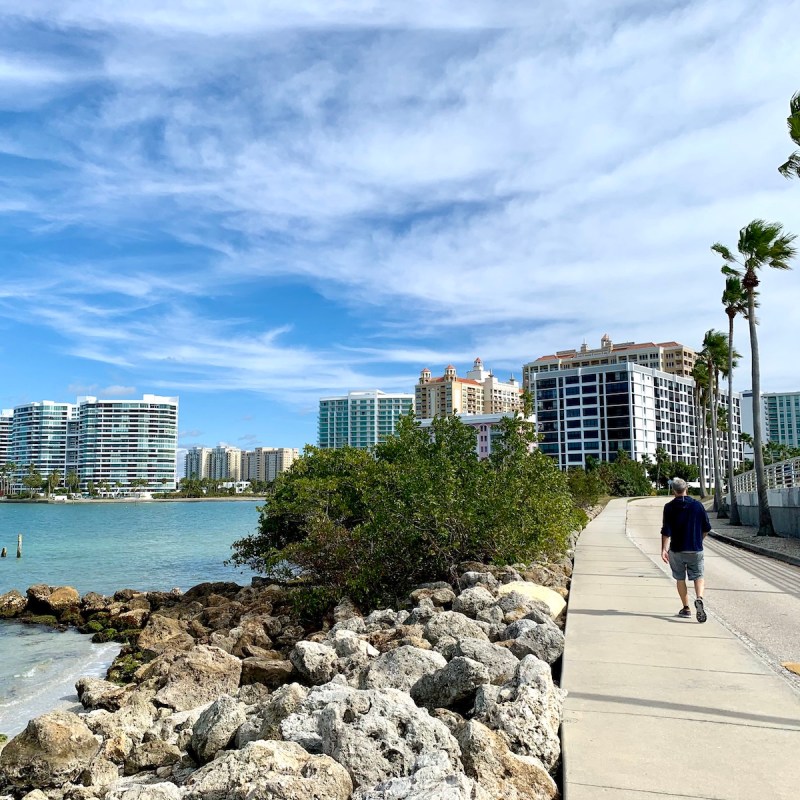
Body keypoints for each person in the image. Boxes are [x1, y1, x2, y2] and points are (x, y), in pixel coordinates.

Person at [660, 477, 711, 622]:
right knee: (698, 576)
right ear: (686, 488)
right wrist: (698, 540)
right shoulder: (697, 505)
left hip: (676, 550)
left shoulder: (669, 507)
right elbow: (706, 528)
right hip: (695, 549)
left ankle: (686, 608)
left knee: (680, 578)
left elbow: (666, 531)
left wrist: (664, 549)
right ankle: (699, 598)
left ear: (674, 491)